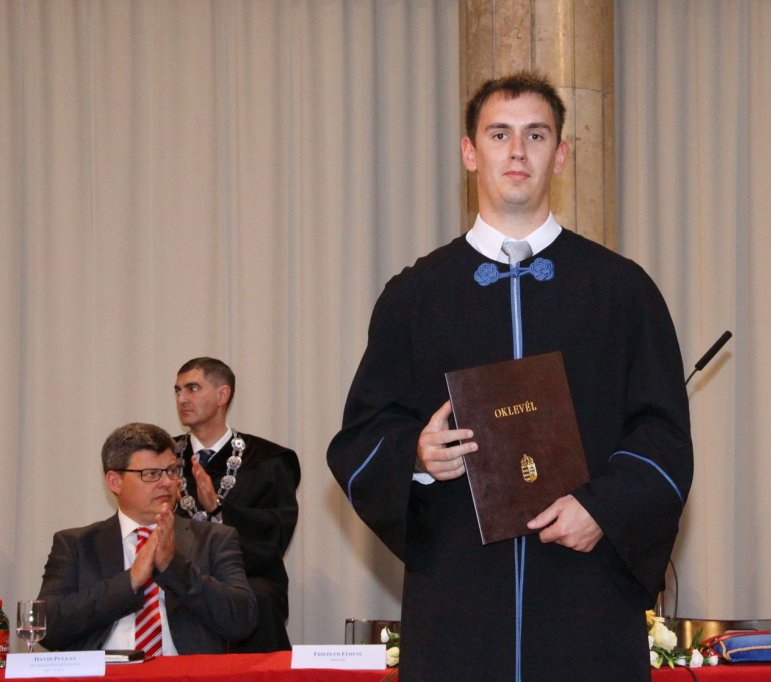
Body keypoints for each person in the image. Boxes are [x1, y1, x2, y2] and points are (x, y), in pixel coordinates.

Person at [327, 71, 693, 681]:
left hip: (585, 593)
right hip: (460, 596)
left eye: (536, 135)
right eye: (499, 134)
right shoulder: (415, 296)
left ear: (561, 154)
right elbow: (361, 436)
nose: (517, 151)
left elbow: (663, 434)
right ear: (470, 152)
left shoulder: (621, 290)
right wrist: (415, 455)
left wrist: (604, 509)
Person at [38, 422, 257, 654]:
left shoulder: (213, 539)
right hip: (106, 671)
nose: (167, 482)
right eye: (151, 474)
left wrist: (173, 567)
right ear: (115, 482)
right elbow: (46, 628)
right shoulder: (76, 545)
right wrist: (130, 581)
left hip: (183, 671)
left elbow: (242, 621)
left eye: (172, 471)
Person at [173, 357, 300, 652]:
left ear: (222, 395)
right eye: (177, 391)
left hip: (247, 577)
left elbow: (274, 539)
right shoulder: (161, 458)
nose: (182, 399)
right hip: (177, 576)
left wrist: (219, 510)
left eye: (192, 388)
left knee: (257, 597)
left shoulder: (268, 460)